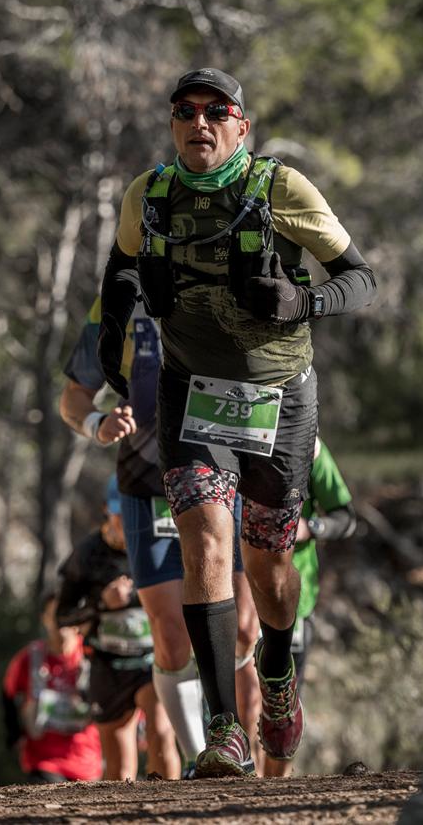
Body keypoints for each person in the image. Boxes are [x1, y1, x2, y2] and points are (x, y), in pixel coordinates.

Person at [96, 68, 375, 777]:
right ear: (172, 125)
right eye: (184, 112)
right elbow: (120, 270)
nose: (200, 123)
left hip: (279, 403)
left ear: (241, 125)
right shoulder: (149, 195)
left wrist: (302, 303)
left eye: (216, 112)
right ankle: (225, 732)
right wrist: (112, 332)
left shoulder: (282, 190)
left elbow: (361, 278)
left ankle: (277, 680)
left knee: (270, 564)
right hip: (194, 399)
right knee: (204, 546)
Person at [60, 295, 265, 774]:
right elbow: (72, 400)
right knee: (170, 638)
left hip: (220, 475)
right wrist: (98, 423)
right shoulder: (116, 302)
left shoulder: (220, 282)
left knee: (241, 630)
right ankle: (203, 760)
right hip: (145, 487)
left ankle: (242, 738)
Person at [55, 478, 181, 780]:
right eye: (118, 514)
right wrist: (102, 602)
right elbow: (63, 616)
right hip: (107, 664)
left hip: (152, 660)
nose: (125, 522)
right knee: (120, 765)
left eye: (132, 514)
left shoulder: (158, 542)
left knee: (161, 734)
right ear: (106, 511)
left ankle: (173, 810)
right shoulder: (87, 554)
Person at [264, 436, 357, 778]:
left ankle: (273, 790)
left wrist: (310, 527)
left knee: (284, 706)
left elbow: (345, 517)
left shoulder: (307, 444)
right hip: (236, 596)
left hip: (296, 601)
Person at [2, 592, 103, 783]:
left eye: (66, 614)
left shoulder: (94, 656)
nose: (61, 621)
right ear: (44, 619)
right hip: (43, 762)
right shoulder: (29, 659)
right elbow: (7, 694)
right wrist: (14, 736)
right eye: (55, 614)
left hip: (88, 763)